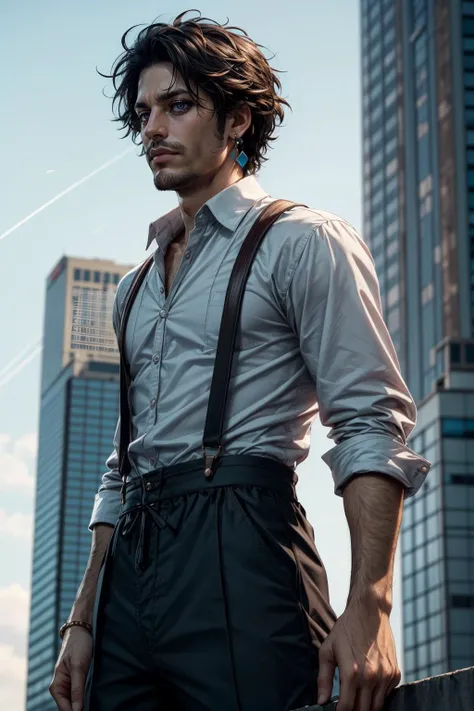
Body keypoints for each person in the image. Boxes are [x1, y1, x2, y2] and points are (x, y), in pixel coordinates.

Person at [49, 10, 431, 711]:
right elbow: (121, 465)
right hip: (130, 578)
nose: (152, 130)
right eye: (144, 112)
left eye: (179, 105)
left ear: (237, 122)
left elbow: (372, 420)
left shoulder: (303, 241)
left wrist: (370, 606)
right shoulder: (132, 289)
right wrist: (82, 618)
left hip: (244, 547)